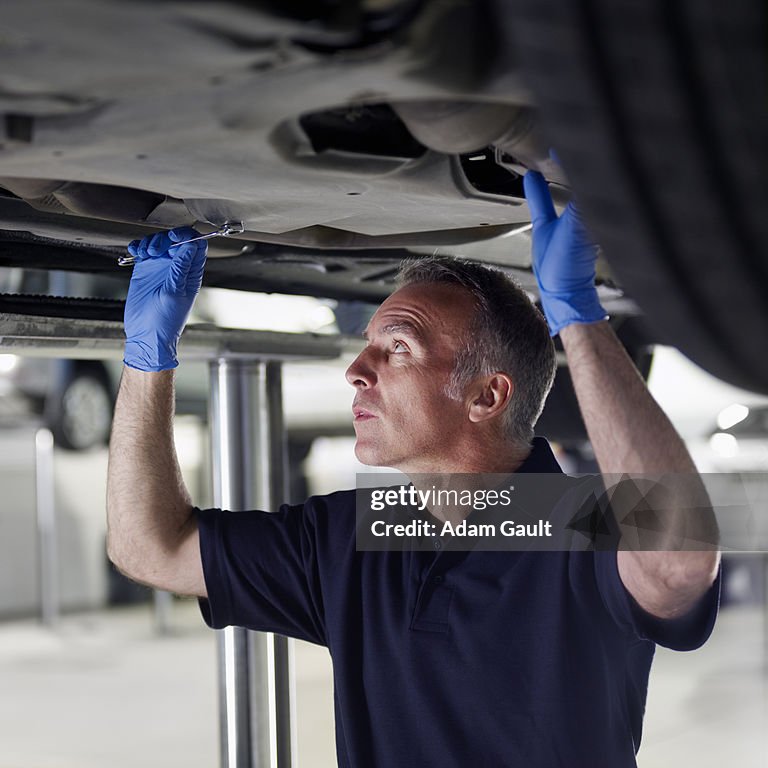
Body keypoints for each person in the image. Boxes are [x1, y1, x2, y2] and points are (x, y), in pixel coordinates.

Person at [105, 172, 721, 767]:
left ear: (486, 397)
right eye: (367, 343)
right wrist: (146, 360)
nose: (356, 370)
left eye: (397, 347)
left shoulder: (583, 524)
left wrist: (578, 318)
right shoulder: (350, 534)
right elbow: (151, 548)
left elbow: (675, 559)